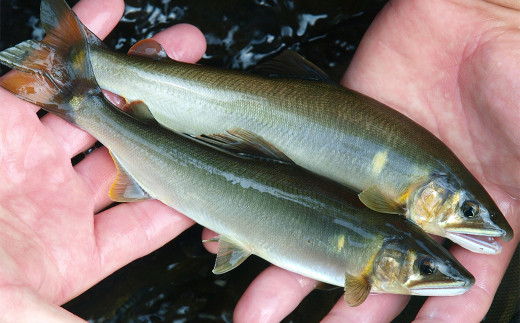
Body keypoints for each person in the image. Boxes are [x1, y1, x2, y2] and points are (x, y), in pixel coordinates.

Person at [0, 0, 517, 321]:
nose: (479, 230)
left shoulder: (390, 210)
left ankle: (70, 74)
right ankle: (77, 71)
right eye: (467, 209)